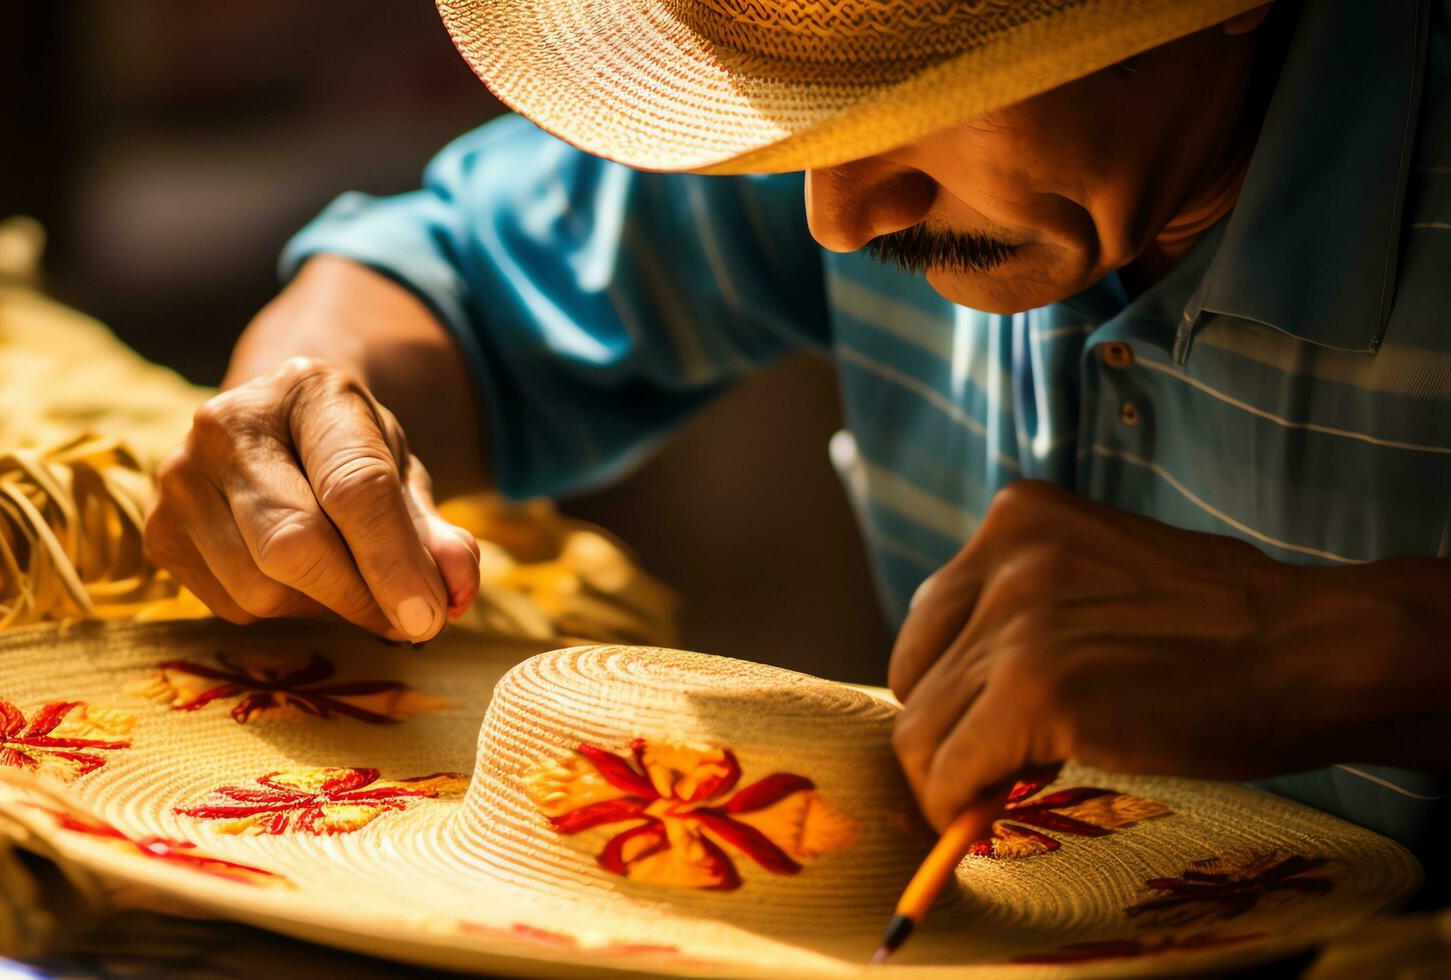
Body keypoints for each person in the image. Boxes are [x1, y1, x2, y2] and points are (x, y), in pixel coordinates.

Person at [143, 0, 1450, 886]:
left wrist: (1374, 651)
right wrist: (311, 414)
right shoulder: (863, 152)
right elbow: (439, 277)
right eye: (802, 105)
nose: (834, 213)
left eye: (926, 85)